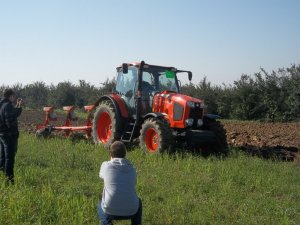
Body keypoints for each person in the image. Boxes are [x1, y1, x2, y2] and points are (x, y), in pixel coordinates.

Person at [97, 141, 142, 225]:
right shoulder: (132, 169)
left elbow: (101, 176)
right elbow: (133, 183)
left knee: (100, 204)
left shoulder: (106, 166)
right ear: (125, 154)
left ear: (110, 154)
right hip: (132, 210)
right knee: (139, 202)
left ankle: (107, 223)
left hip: (110, 210)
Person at [0, 89, 22, 184]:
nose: (14, 98)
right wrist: (14, 133)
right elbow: (10, 120)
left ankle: (2, 173)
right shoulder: (8, 105)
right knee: (10, 157)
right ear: (11, 96)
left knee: (3, 156)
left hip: (1, 134)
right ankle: (9, 179)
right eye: (14, 96)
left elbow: (13, 114)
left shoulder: (1, 104)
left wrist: (18, 106)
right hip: (8, 135)